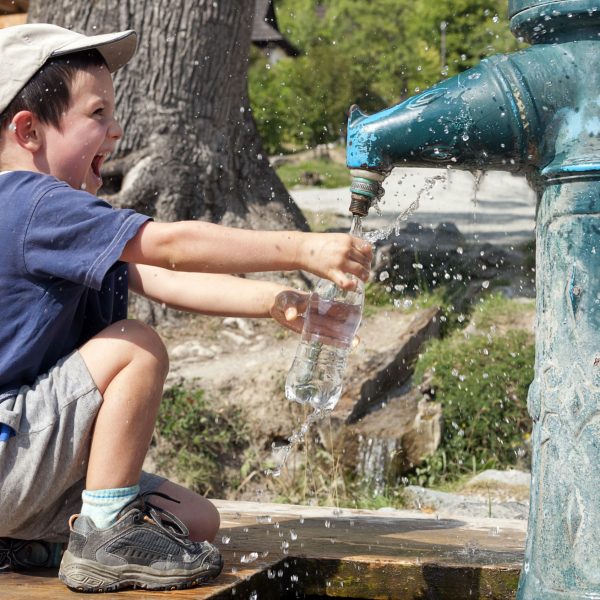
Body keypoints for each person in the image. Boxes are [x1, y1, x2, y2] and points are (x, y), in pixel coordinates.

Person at [0, 24, 372, 593]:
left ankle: (37, 538)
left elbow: (157, 277)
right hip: (10, 455)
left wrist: (275, 302)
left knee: (198, 519)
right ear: (28, 129)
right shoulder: (31, 201)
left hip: (22, 464)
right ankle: (102, 537)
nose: (117, 130)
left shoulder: (47, 219)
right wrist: (304, 247)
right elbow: (170, 247)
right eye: (98, 113)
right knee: (135, 345)